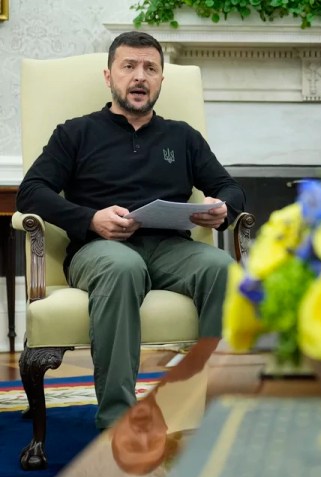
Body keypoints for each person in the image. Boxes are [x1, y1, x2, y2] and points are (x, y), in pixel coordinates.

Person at [17, 31, 246, 430]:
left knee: (223, 268)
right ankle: (117, 421)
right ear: (109, 76)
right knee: (123, 268)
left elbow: (230, 187)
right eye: (129, 66)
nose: (140, 77)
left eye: (150, 68)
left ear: (161, 80)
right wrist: (90, 219)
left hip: (172, 248)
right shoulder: (75, 133)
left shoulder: (183, 137)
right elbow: (31, 192)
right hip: (100, 248)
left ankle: (215, 414)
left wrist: (222, 207)